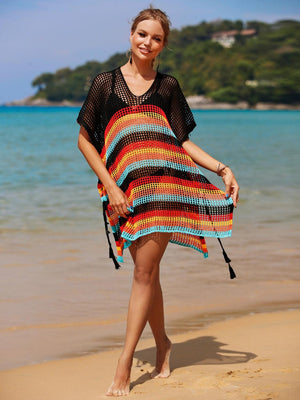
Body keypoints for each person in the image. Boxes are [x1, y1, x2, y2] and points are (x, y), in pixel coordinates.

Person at [77, 6, 239, 396]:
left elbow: (182, 141)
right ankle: (163, 343)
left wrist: (221, 168)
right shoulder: (105, 83)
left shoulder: (168, 86)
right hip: (126, 193)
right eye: (142, 34)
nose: (147, 42)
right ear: (130, 35)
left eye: (156, 38)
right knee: (147, 275)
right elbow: (85, 140)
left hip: (165, 190)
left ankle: (124, 362)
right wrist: (111, 187)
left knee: (143, 275)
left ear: (163, 45)